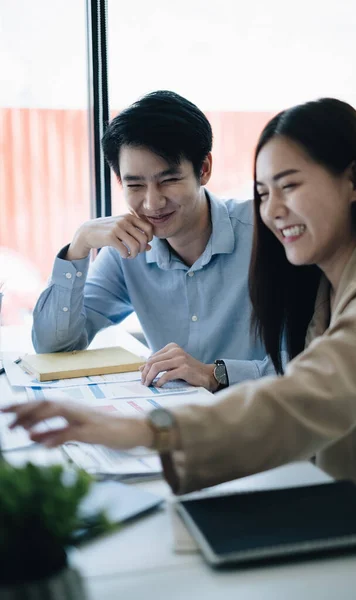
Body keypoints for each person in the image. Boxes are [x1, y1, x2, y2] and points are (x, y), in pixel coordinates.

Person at [6, 98, 356, 515]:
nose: (274, 211)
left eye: (290, 186)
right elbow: (52, 343)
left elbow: (304, 393)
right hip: (304, 485)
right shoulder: (329, 284)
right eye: (264, 193)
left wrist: (145, 429)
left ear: (353, 181)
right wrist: (80, 243)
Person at [31, 90, 274, 391]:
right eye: (135, 184)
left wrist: (216, 374)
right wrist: (79, 245)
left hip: (263, 423)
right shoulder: (128, 251)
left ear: (204, 169)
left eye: (168, 180)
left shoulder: (268, 234)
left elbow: (314, 362)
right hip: (172, 426)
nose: (152, 203)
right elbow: (54, 348)